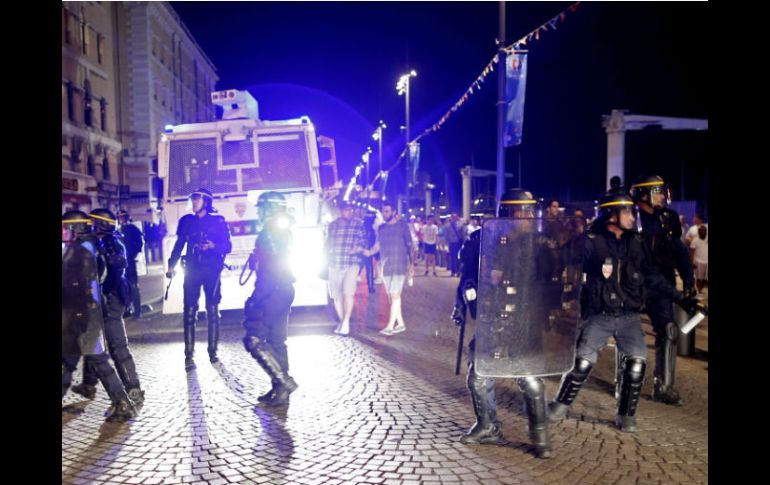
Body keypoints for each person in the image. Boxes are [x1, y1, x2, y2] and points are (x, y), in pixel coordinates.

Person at [548, 192, 698, 432]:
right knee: (583, 363)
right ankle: (560, 405)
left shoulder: (636, 243)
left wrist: (683, 300)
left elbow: (652, 277)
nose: (631, 216)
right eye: (626, 211)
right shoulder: (592, 241)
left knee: (637, 363)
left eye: (631, 211)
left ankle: (626, 415)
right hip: (599, 315)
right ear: (611, 214)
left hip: (629, 317)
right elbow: (564, 260)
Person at [459, 188, 557, 459]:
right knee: (478, 372)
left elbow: (552, 281)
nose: (527, 216)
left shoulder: (540, 246)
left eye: (529, 211)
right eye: (521, 211)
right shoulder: (485, 241)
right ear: (509, 214)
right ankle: (488, 426)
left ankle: (540, 435)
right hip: (493, 317)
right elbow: (469, 275)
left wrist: (552, 308)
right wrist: (463, 300)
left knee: (528, 377)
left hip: (523, 320)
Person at [62, 210, 137, 422]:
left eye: (65, 227)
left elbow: (78, 285)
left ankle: (122, 403)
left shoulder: (82, 250)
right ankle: (121, 402)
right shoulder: (86, 247)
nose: (63, 232)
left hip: (84, 316)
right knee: (68, 361)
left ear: (75, 229)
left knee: (99, 361)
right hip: (81, 315)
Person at [630, 175, 696, 406]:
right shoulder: (632, 219)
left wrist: (689, 281)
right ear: (643, 195)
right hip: (635, 285)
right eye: (657, 191)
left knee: (668, 330)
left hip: (662, 286)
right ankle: (625, 384)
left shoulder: (668, 218)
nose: (661, 196)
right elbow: (645, 267)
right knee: (625, 336)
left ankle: (664, 386)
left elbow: (679, 251)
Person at [242, 192, 298, 406]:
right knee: (277, 341)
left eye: (261, 208)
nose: (258, 212)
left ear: (270, 209)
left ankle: (283, 382)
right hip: (284, 289)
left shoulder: (268, 232)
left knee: (254, 339)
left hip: (272, 290)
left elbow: (272, 268)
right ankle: (279, 390)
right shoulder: (283, 231)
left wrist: (256, 299)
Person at [166, 188, 232, 369]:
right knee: (189, 311)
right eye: (192, 200)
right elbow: (179, 244)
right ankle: (189, 355)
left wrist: (213, 245)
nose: (194, 203)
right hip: (192, 270)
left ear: (206, 201)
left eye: (197, 199)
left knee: (212, 311)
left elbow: (227, 246)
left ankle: (213, 352)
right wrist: (171, 264)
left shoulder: (218, 221)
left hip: (212, 271)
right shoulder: (186, 221)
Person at [363, 202, 414, 335]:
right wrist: (366, 252)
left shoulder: (402, 225)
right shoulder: (381, 228)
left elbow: (410, 245)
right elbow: (377, 246)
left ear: (393, 211)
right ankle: (401, 324)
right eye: (383, 211)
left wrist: (412, 264)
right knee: (392, 297)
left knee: (395, 295)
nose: (385, 214)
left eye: (387, 211)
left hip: (400, 264)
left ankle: (390, 326)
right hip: (386, 266)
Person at [326, 200, 368, 336]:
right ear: (341, 210)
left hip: (351, 263)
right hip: (334, 263)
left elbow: (364, 243)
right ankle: (342, 320)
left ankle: (346, 323)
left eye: (351, 210)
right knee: (336, 296)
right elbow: (328, 243)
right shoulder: (332, 226)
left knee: (348, 293)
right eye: (346, 210)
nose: (349, 212)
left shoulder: (358, 225)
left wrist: (357, 249)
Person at [116, 209, 144, 319]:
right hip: (120, 265)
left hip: (130, 263)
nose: (121, 219)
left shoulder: (133, 229)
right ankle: (127, 309)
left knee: (133, 287)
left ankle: (137, 311)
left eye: (123, 217)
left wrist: (132, 254)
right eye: (119, 217)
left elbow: (139, 243)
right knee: (123, 287)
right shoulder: (117, 231)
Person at [689, 225, 708, 293]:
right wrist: (691, 263)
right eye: (701, 231)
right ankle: (697, 292)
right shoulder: (695, 241)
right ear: (699, 232)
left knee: (704, 280)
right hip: (698, 263)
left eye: (704, 231)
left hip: (707, 262)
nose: (703, 232)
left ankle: (699, 291)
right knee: (699, 279)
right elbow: (691, 253)